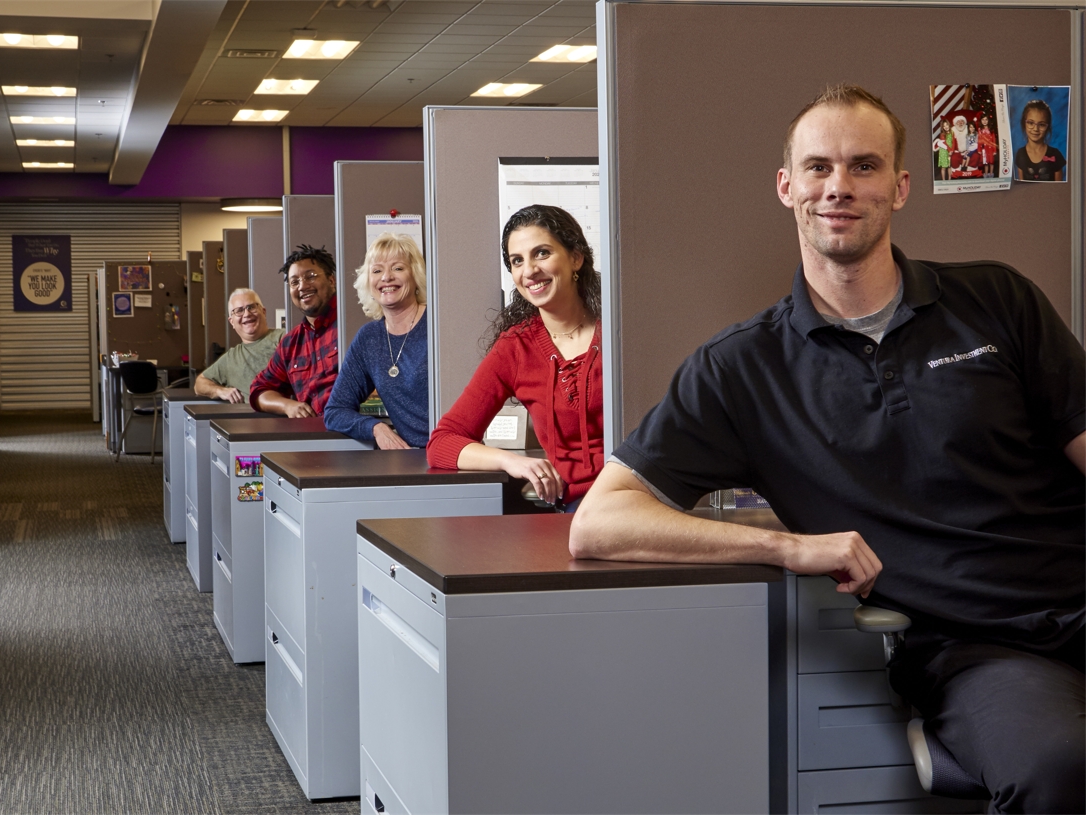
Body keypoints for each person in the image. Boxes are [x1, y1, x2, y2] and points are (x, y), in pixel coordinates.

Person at [570, 84, 1084, 812]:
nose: (838, 186)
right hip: (981, 651)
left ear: (900, 186)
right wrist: (790, 548)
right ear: (787, 186)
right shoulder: (742, 368)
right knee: (1061, 768)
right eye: (817, 168)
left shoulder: (997, 299)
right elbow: (600, 524)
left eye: (864, 166)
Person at [427, 204, 604, 511]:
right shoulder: (515, 348)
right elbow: (442, 443)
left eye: (542, 253)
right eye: (517, 261)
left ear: (576, 258)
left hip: (640, 497)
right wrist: (511, 462)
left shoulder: (620, 331)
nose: (529, 271)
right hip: (576, 511)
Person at [323, 233, 429, 448]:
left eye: (398, 268)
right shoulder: (369, 338)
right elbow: (335, 411)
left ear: (415, 276)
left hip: (455, 455)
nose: (386, 277)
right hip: (410, 458)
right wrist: (376, 428)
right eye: (377, 270)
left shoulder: (438, 326)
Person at [249, 244, 339, 418]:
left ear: (331, 280)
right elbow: (259, 390)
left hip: (354, 436)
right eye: (294, 282)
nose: (302, 286)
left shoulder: (351, 327)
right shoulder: (291, 343)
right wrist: (288, 406)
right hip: (311, 436)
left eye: (310, 277)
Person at [193, 288, 285, 403]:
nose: (246, 314)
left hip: (288, 415)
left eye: (251, 307)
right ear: (232, 322)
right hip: (249, 419)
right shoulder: (230, 358)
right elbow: (199, 384)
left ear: (264, 312)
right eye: (239, 311)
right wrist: (220, 391)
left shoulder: (284, 337)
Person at [1014, 99, 1066, 182]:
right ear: (1024, 123)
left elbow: (1059, 189)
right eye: (1031, 123)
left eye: (1041, 124)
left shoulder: (1055, 154)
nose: (1035, 129)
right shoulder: (1020, 154)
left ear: (1047, 127)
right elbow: (1021, 186)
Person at [976, 112, 996, 177]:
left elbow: (994, 140)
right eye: (983, 120)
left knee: (991, 162)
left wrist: (994, 150)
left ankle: (991, 174)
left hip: (990, 149)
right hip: (984, 149)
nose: (984, 121)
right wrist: (979, 149)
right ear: (981, 121)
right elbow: (979, 140)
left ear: (988, 120)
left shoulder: (991, 130)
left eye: (986, 119)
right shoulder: (980, 130)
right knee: (986, 162)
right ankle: (986, 174)